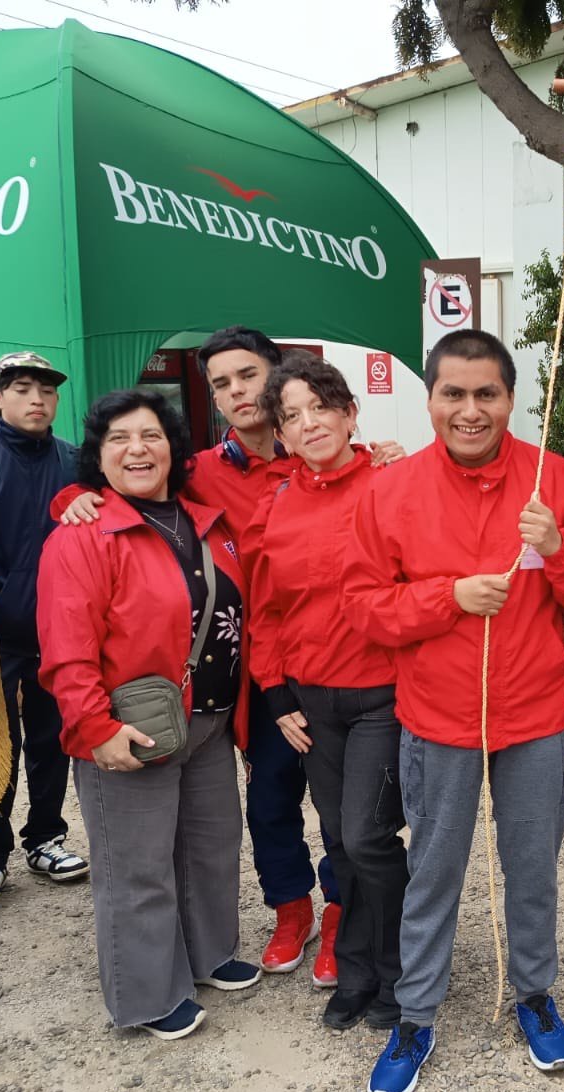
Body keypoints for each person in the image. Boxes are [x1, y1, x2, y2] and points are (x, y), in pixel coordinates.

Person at [58, 330, 405, 983]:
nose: (237, 391)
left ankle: (344, 914)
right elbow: (127, 490)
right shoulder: (197, 472)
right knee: (269, 798)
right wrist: (71, 498)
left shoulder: (335, 456)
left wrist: (390, 457)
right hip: (249, 672)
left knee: (345, 808)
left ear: (278, 377)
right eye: (221, 384)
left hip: (340, 666)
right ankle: (291, 908)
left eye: (248, 375)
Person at [344, 330, 564, 1092]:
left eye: (487, 394)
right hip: (438, 715)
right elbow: (365, 609)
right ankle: (416, 1015)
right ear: (431, 400)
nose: (470, 410)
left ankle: (534, 993)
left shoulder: (554, 477)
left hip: (535, 711)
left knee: (532, 865)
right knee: (434, 869)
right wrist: (446, 597)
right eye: (453, 393)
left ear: (512, 399)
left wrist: (559, 547)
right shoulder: (390, 491)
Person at [37, 389, 260, 1039]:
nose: (137, 450)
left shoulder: (205, 522)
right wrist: (94, 729)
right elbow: (66, 645)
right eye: (119, 439)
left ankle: (208, 954)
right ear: (98, 456)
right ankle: (146, 995)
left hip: (208, 720)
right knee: (137, 868)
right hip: (131, 729)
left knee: (211, 847)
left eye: (151, 436)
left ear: (173, 448)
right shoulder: (83, 535)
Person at [243, 353, 409, 1034]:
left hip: (384, 695)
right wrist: (277, 697)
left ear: (349, 413)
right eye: (292, 416)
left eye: (320, 407)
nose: (309, 423)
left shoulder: (393, 481)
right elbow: (266, 611)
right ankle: (359, 970)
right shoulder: (276, 504)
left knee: (369, 836)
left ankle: (400, 972)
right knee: (339, 839)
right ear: (281, 435)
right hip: (312, 700)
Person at [0, 352, 89, 909]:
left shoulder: (74, 460)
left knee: (51, 740)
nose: (37, 399)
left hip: (59, 632)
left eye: (46, 389)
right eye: (21, 388)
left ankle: (45, 838)